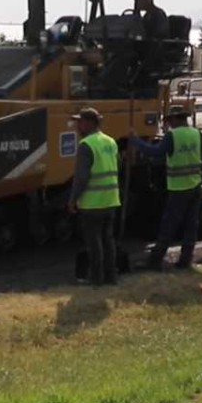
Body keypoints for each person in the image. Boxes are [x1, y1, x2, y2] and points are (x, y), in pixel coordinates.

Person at [129, 105, 202, 269]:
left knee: (168, 225)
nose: (168, 124)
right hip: (195, 185)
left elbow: (155, 152)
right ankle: (185, 261)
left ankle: (155, 261)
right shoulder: (195, 133)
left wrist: (135, 140)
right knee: (191, 225)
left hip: (178, 188)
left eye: (169, 120)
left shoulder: (173, 136)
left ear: (175, 119)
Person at [68, 107, 120, 285]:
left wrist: (73, 200)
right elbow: (116, 165)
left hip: (92, 203)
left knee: (94, 242)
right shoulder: (111, 142)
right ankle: (111, 277)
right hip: (111, 200)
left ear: (90, 123)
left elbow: (81, 177)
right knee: (108, 240)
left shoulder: (87, 145)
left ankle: (97, 279)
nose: (77, 126)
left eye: (80, 122)